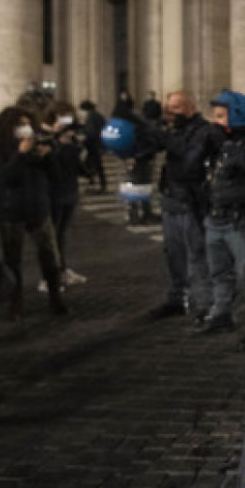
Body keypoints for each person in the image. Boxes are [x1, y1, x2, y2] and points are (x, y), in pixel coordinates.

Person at [0, 106, 67, 319]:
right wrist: (20, 154)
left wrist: (48, 156)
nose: (26, 128)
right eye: (20, 125)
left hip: (38, 208)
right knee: (13, 258)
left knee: (49, 255)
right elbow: (4, 178)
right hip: (10, 211)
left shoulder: (37, 148)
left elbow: (56, 178)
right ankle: (16, 301)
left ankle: (55, 297)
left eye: (28, 124)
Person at [200, 89, 245, 335]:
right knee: (218, 272)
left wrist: (225, 145)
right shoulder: (216, 144)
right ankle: (221, 313)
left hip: (238, 221)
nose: (214, 122)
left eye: (220, 116)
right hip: (215, 218)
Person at [147, 91, 215, 322]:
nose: (170, 113)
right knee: (173, 253)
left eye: (175, 108)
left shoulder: (203, 130)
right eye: (169, 108)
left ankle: (205, 305)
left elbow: (189, 160)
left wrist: (166, 137)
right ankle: (177, 299)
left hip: (191, 203)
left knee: (197, 255)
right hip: (171, 199)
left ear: (190, 107)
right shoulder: (174, 129)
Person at [40, 101, 87, 290]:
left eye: (70, 117)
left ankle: (62, 269)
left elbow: (81, 168)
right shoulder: (46, 138)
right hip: (52, 192)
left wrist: (77, 146)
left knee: (60, 235)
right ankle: (49, 277)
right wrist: (55, 139)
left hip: (70, 190)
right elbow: (50, 166)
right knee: (50, 237)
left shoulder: (72, 139)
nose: (67, 121)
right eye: (63, 116)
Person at [112, 92, 158, 224]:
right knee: (137, 185)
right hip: (139, 157)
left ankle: (138, 213)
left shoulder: (123, 121)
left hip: (137, 157)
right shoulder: (134, 120)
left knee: (135, 185)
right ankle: (139, 213)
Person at [79, 100, 107, 193]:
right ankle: (95, 183)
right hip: (99, 144)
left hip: (93, 145)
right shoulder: (98, 115)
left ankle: (97, 184)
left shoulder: (91, 117)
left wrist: (83, 138)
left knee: (93, 165)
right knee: (94, 165)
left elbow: (91, 131)